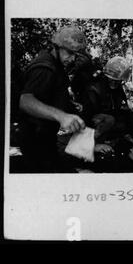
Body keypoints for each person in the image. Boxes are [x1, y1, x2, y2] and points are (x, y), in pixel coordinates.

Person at [19, 26, 87, 173]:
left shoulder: (57, 65)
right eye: (70, 52)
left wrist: (68, 105)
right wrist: (61, 115)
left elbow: (47, 95)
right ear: (56, 47)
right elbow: (25, 101)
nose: (73, 58)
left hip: (45, 137)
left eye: (76, 54)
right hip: (34, 139)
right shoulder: (45, 68)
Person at [78, 56, 133, 146]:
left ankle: (115, 141)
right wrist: (93, 145)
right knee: (109, 120)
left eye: (118, 81)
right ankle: (90, 144)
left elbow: (127, 113)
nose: (114, 83)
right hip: (92, 125)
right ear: (106, 76)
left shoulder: (118, 90)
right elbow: (85, 116)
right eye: (111, 80)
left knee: (124, 121)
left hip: (110, 124)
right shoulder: (93, 89)